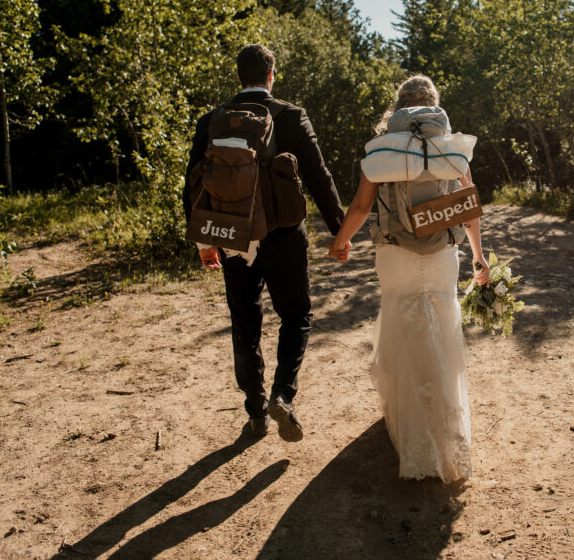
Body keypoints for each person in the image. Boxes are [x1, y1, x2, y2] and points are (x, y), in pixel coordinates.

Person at [327, 75, 490, 483]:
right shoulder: (451, 149)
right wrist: (479, 257)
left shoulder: (384, 148)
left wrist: (341, 241)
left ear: (398, 108)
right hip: (441, 255)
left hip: (395, 253)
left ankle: (406, 421)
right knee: (442, 327)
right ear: (434, 106)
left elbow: (363, 206)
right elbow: (467, 206)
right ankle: (445, 427)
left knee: (401, 325)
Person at [183, 44, 345, 441]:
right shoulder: (290, 115)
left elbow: (193, 182)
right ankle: (282, 396)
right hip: (284, 234)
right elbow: (319, 176)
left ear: (239, 77)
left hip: (233, 233)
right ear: (272, 76)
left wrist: (205, 240)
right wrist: (340, 231)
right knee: (296, 314)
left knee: (245, 316)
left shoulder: (213, 120)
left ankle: (255, 411)